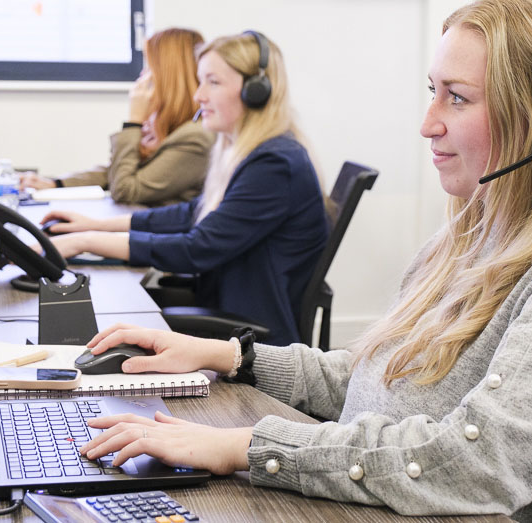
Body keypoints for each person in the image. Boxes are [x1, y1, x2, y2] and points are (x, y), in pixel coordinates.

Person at [69, 0, 532, 522]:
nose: (427, 123)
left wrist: (246, 445)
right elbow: (378, 384)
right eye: (432, 93)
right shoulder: (475, 237)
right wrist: (233, 357)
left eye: (457, 98)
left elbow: (483, 463)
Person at [41, 31, 328, 346]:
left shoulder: (274, 164)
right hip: (226, 307)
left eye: (213, 82)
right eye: (200, 81)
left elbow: (198, 249)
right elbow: (195, 212)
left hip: (251, 337)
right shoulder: (247, 150)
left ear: (256, 91)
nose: (199, 95)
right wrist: (98, 226)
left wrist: (87, 241)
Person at [19, 27, 214, 206]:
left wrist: (133, 122)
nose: (142, 75)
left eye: (149, 68)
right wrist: (56, 184)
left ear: (168, 76)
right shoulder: (174, 127)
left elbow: (125, 189)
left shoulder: (195, 137)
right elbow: (115, 171)